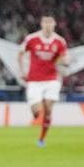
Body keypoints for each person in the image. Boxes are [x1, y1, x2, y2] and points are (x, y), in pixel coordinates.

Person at [18, 15, 68, 148]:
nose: (48, 25)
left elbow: (64, 57)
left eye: (50, 22)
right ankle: (35, 111)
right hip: (34, 80)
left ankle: (41, 139)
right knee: (36, 112)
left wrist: (65, 62)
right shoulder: (32, 39)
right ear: (41, 24)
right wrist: (22, 72)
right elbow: (20, 53)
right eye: (45, 22)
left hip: (52, 79)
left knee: (48, 107)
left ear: (54, 24)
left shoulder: (60, 41)